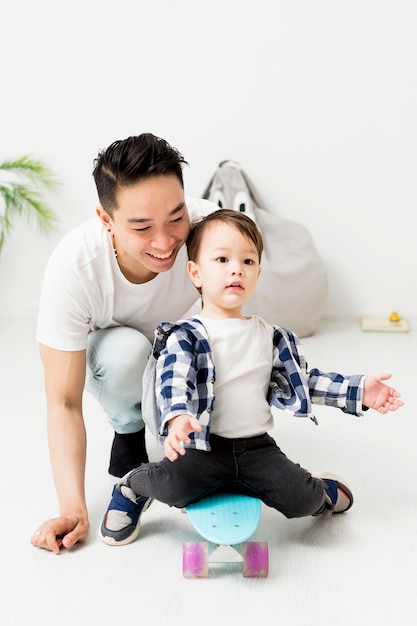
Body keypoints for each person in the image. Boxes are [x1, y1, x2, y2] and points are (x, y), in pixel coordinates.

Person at [100, 209, 403, 547]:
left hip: (256, 449)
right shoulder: (186, 335)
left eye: (247, 261)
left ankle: (321, 491)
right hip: (203, 450)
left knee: (301, 500)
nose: (236, 269)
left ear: (258, 273)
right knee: (174, 487)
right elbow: (174, 380)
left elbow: (303, 382)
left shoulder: (270, 336)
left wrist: (359, 390)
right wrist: (178, 416)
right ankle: (132, 486)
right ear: (195, 272)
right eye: (222, 259)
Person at [31, 133, 218, 554]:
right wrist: (74, 509)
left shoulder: (212, 232)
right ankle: (128, 431)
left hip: (179, 347)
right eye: (141, 227)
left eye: (175, 217)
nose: (165, 241)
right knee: (125, 352)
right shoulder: (74, 267)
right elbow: (62, 401)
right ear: (106, 219)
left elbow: (238, 327)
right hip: (116, 358)